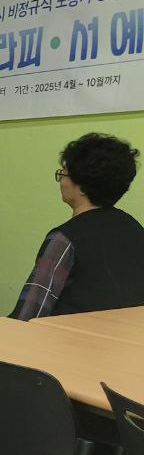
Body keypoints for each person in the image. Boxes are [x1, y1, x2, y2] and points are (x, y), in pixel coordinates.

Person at [13, 132, 144, 320]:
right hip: (129, 343)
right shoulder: (134, 228)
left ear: (82, 188)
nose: (61, 181)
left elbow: (29, 314)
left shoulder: (64, 239)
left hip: (72, 344)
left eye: (64, 173)